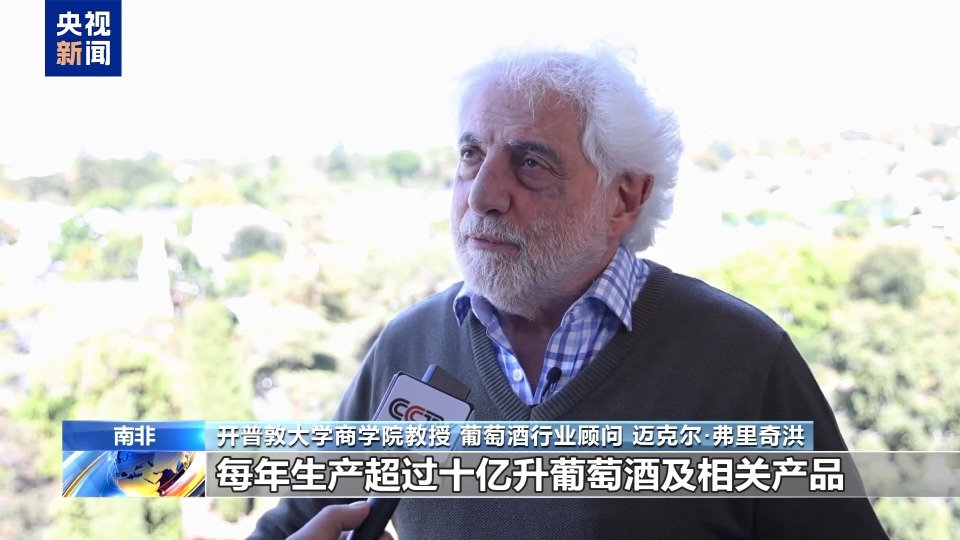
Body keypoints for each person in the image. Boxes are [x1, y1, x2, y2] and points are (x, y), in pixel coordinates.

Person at [248, 48, 889, 539]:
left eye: (530, 163)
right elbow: (296, 522)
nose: (481, 195)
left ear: (625, 196)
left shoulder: (741, 361)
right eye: (471, 155)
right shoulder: (411, 346)